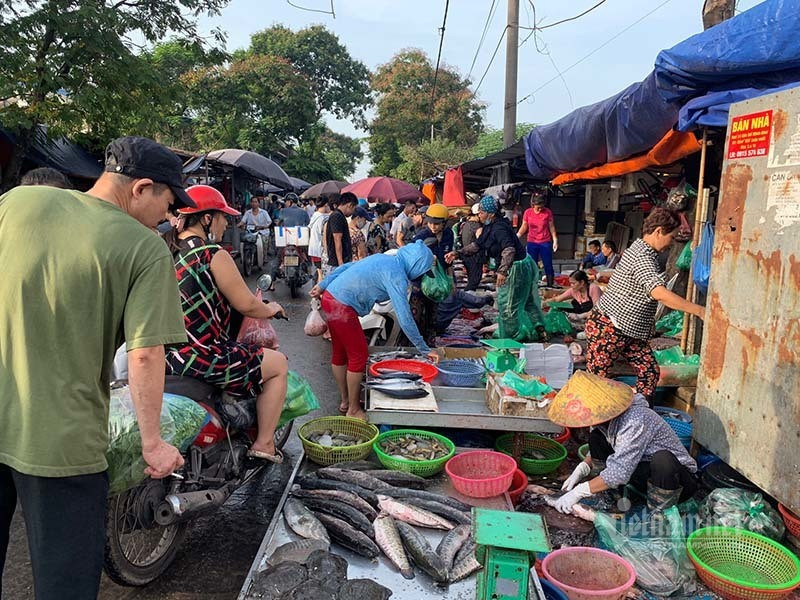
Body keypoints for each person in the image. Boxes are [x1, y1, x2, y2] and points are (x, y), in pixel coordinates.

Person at [0, 136, 190, 599]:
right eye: (168, 202)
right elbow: (145, 354)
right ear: (142, 188)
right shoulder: (144, 249)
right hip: (61, 442)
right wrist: (153, 444)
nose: (169, 216)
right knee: (64, 583)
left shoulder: (17, 201)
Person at [164, 185, 288, 463]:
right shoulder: (211, 253)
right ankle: (265, 444)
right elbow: (246, 304)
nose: (225, 224)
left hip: (167, 356)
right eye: (223, 218)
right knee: (278, 365)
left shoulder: (166, 250)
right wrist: (271, 308)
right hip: (202, 355)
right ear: (207, 218)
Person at [310, 241, 441, 419]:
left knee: (340, 353)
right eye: (422, 271)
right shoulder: (397, 275)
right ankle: (354, 409)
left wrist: (324, 284)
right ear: (416, 265)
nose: (420, 275)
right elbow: (405, 318)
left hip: (330, 297)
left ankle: (346, 401)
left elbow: (348, 266)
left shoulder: (385, 258)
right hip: (343, 306)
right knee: (359, 355)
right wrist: (425, 349)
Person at [586, 208, 705, 401]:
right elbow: (658, 293)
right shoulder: (641, 255)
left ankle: (641, 416)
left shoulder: (646, 253)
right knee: (597, 384)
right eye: (672, 237)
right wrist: (699, 310)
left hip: (631, 332)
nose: (672, 243)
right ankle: (592, 429)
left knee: (649, 372)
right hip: (609, 327)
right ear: (659, 231)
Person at [548, 371, 698, 514]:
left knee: (662, 459)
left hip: (675, 479)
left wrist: (580, 491)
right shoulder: (600, 417)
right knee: (596, 437)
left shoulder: (636, 420)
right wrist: (583, 468)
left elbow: (619, 472)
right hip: (641, 468)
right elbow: (609, 449)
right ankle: (610, 497)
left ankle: (659, 515)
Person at [447, 195, 547, 342]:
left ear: (491, 213)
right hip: (523, 264)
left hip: (515, 268)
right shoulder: (490, 226)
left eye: (481, 211)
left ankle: (510, 338)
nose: (479, 214)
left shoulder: (499, 228)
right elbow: (477, 245)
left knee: (508, 305)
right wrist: (457, 253)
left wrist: (502, 271)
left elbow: (509, 249)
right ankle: (539, 329)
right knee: (528, 301)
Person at [518, 194, 558, 287]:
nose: (540, 209)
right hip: (532, 241)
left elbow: (551, 226)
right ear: (533, 205)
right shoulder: (528, 212)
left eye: (542, 207)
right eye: (538, 207)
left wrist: (555, 239)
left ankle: (550, 284)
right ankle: (532, 284)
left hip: (545, 241)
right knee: (532, 264)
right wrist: (518, 235)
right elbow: (524, 226)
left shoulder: (547, 212)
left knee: (547, 263)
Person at [324, 192, 358, 273]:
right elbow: (337, 239)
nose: (353, 212)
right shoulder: (337, 216)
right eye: (354, 208)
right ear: (349, 205)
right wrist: (340, 262)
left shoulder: (340, 216)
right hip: (337, 263)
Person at [239, 196, 273, 267]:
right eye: (252, 202)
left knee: (263, 244)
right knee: (243, 242)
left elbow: (269, 222)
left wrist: (263, 227)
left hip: (262, 232)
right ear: (250, 203)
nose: (254, 203)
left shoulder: (263, 212)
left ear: (258, 203)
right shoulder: (248, 213)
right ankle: (243, 257)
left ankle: (264, 257)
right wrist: (238, 225)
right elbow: (242, 221)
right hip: (250, 232)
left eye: (255, 202)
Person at [460, 203, 484, 291]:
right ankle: (467, 299)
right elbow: (480, 240)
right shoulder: (476, 226)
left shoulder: (466, 224)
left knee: (472, 279)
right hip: (474, 257)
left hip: (467, 256)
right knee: (474, 281)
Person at [308, 197, 331, 282]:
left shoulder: (314, 215)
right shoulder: (324, 218)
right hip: (321, 250)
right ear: (326, 205)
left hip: (313, 249)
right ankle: (318, 294)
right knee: (322, 275)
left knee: (319, 272)